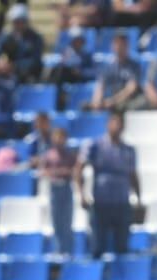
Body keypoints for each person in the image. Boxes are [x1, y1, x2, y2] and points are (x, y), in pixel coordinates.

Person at [76, 109, 140, 258]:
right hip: (100, 203)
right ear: (107, 124)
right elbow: (78, 170)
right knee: (98, 246)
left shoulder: (129, 150)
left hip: (122, 203)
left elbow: (133, 175)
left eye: (120, 122)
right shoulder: (94, 146)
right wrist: (82, 194)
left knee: (122, 247)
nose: (116, 126)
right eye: (114, 121)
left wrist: (138, 197)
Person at [38, 125, 78, 255]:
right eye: (57, 137)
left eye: (62, 137)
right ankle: (58, 250)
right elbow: (43, 171)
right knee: (56, 222)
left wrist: (67, 172)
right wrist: (56, 172)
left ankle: (68, 251)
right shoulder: (48, 155)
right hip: (54, 189)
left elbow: (75, 171)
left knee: (67, 222)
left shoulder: (70, 155)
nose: (59, 140)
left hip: (66, 188)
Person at [0, 5, 46, 84]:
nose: (18, 25)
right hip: (9, 75)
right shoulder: (6, 38)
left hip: (29, 76)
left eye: (21, 21)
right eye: (16, 21)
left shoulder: (36, 38)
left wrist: (14, 66)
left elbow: (36, 61)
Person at [90, 32, 141, 111]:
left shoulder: (134, 66)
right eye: (117, 43)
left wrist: (112, 101)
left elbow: (131, 89)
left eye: (122, 43)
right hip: (109, 100)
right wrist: (97, 101)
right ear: (112, 45)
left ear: (127, 45)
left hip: (126, 101)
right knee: (85, 107)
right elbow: (100, 86)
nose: (119, 47)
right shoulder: (107, 67)